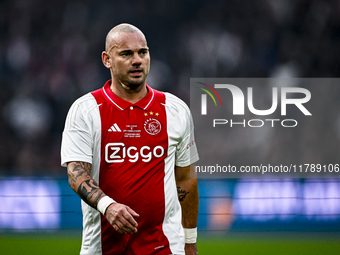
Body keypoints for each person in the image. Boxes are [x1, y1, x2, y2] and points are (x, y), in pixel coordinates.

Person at [61, 23, 199, 255]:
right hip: (102, 247)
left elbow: (185, 179)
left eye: (142, 52)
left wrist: (190, 241)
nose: (137, 60)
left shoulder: (175, 110)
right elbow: (76, 172)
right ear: (107, 59)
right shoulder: (85, 110)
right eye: (126, 54)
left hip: (165, 246)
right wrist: (109, 206)